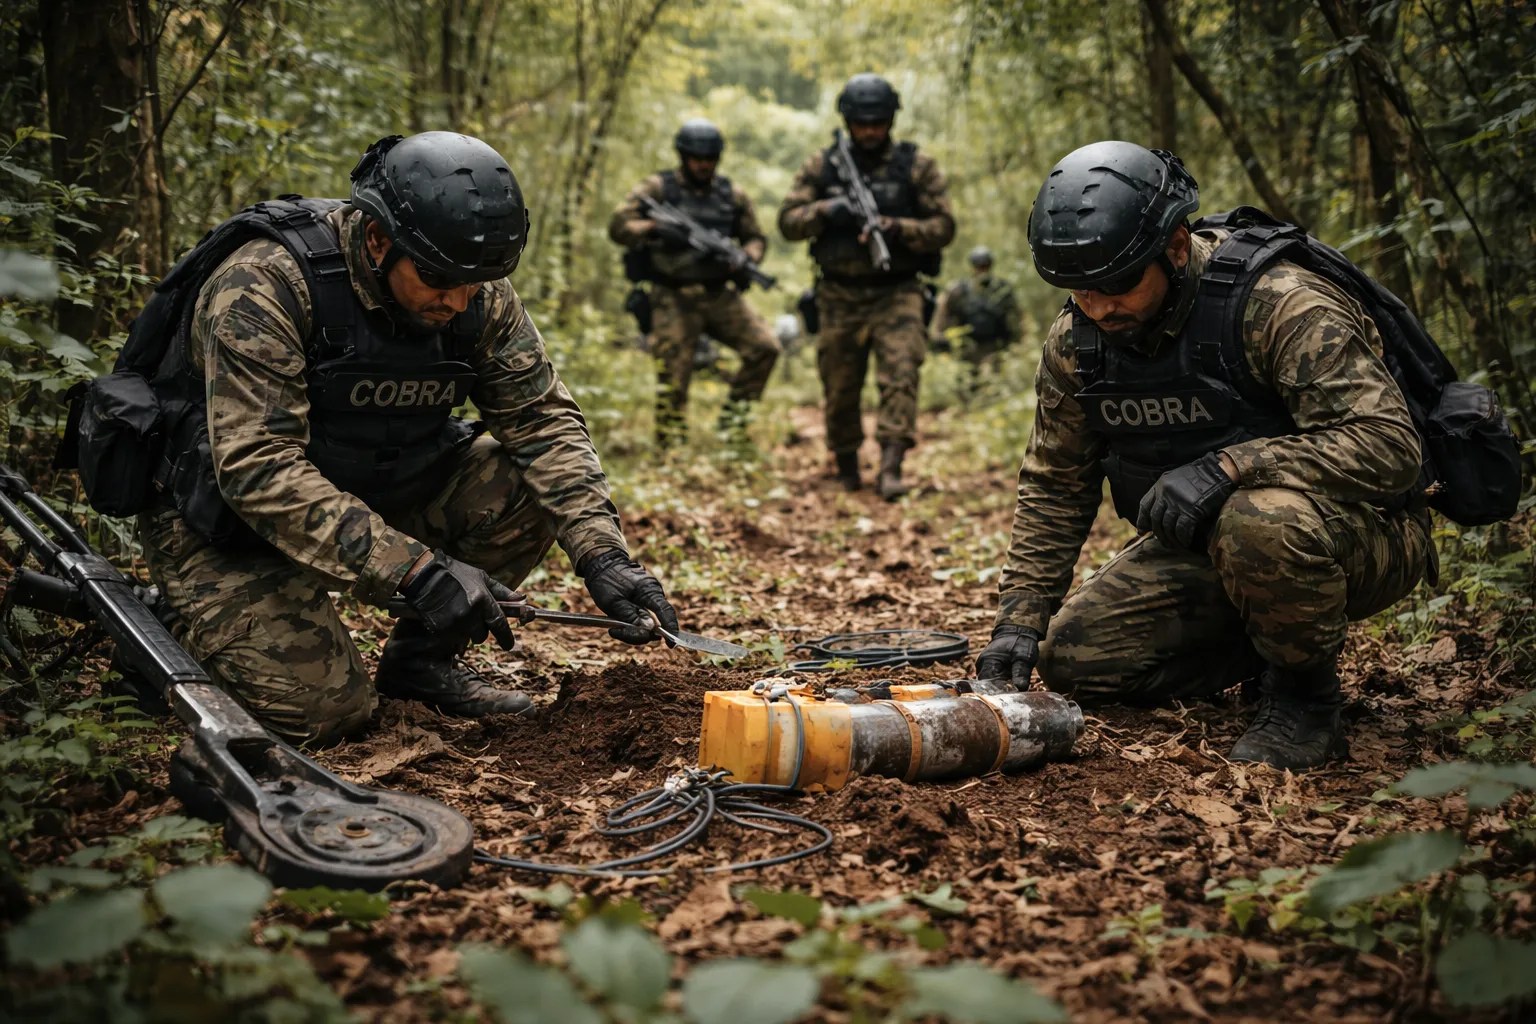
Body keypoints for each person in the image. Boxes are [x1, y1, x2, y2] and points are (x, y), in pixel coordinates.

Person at [140, 131, 679, 747]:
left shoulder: (472, 284)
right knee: (325, 716)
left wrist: (603, 556)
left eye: (473, 285)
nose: (457, 301)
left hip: (372, 485)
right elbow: (256, 468)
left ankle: (421, 664)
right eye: (437, 281)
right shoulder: (266, 284)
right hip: (224, 523)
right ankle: (172, 621)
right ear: (378, 239)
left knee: (520, 480)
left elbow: (543, 423)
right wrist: (416, 571)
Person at [975, 141, 1433, 771]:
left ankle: (1306, 701)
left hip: (1359, 535)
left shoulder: (1279, 306)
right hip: (1211, 552)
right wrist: (1018, 625)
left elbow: (1389, 445)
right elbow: (1056, 485)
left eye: (1118, 284)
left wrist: (1232, 466)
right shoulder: (1078, 342)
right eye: (1079, 290)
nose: (1099, 306)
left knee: (1258, 518)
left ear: (1176, 247)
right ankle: (1270, 638)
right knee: (1073, 659)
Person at [778, 72, 955, 499]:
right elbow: (788, 221)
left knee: (901, 375)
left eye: (878, 122)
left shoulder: (916, 165)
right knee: (839, 386)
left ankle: (892, 465)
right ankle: (846, 463)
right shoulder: (822, 166)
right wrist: (827, 210)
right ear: (849, 121)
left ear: (891, 120)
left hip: (898, 290)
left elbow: (943, 226)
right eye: (862, 123)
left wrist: (900, 228)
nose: (871, 131)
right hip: (838, 294)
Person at [608, 119, 780, 447]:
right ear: (683, 156)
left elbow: (756, 238)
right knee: (673, 375)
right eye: (698, 159)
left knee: (765, 347)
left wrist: (747, 258)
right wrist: (654, 229)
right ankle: (670, 449)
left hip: (719, 294)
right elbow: (618, 225)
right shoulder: (659, 188)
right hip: (672, 295)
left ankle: (733, 427)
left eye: (710, 159)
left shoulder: (732, 195)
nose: (704, 165)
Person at [929, 245, 1021, 392]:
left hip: (994, 347)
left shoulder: (1002, 289)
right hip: (967, 347)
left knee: (992, 386)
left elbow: (1015, 318)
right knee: (968, 386)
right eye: (979, 266)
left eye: (984, 266)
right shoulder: (958, 289)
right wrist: (940, 338)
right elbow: (943, 314)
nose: (981, 270)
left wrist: (1015, 344)